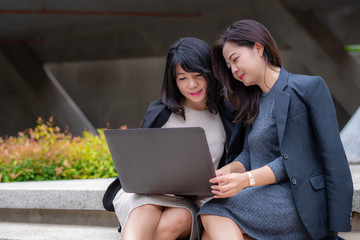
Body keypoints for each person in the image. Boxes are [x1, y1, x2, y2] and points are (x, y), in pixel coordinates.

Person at [198, 19, 353, 240]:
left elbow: (315, 156)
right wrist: (229, 170)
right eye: (229, 65)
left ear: (258, 48)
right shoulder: (253, 101)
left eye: (235, 60)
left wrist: (246, 180)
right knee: (208, 234)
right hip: (262, 198)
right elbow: (250, 153)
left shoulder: (306, 88)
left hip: (297, 199)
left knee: (213, 212)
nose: (233, 70)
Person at [102, 37, 245, 240]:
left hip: (194, 201)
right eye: (182, 78)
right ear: (173, 80)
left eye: (198, 75)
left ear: (211, 72)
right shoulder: (160, 112)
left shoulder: (228, 115)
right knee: (146, 206)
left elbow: (239, 161)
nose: (192, 85)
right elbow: (140, 161)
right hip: (147, 195)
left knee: (178, 219)